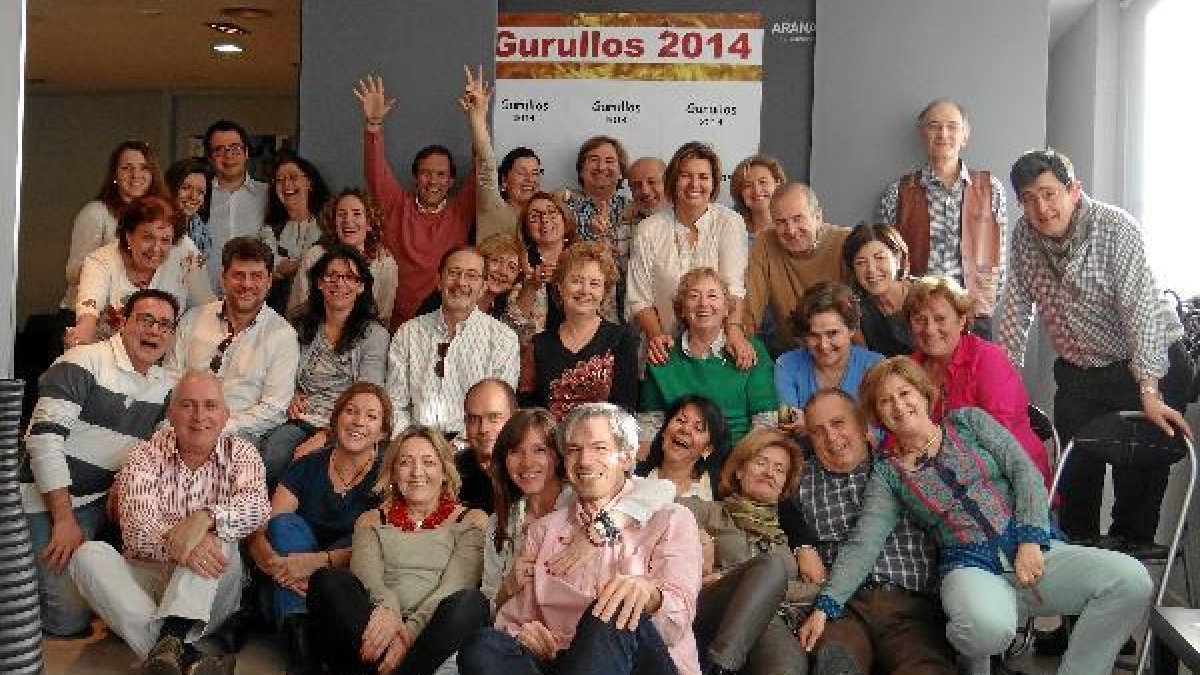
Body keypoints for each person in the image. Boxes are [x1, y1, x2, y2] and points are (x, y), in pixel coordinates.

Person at [797, 357, 1154, 675]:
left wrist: (1031, 538)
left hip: (1033, 548)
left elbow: (1024, 472)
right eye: (885, 401)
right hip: (969, 567)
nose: (899, 405)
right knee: (984, 629)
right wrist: (826, 606)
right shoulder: (889, 474)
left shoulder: (968, 422)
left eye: (904, 393)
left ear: (923, 394)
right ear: (876, 415)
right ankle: (966, 639)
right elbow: (865, 542)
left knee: (1131, 581)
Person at [998, 148, 1194, 556]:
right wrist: (1005, 391)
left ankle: (1132, 563)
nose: (1041, 208)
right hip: (1082, 370)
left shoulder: (1116, 228)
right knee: (1075, 478)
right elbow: (1015, 315)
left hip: (1147, 362)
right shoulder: (1024, 236)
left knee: (1136, 486)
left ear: (1074, 191)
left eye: (1049, 194)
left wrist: (1149, 391)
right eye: (1029, 199)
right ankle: (1078, 560)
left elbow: (1140, 313)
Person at [458, 403, 704, 675]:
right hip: (561, 660)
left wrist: (651, 597)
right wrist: (524, 636)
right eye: (574, 450)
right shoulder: (542, 531)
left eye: (599, 448)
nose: (585, 461)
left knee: (615, 605)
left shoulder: (671, 519)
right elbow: (512, 620)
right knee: (483, 646)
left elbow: (677, 625)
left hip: (640, 661)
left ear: (626, 457)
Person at [68, 370, 270, 675]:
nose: (199, 416)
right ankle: (179, 656)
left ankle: (171, 642)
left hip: (211, 589)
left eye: (210, 406)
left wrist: (206, 518)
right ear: (171, 414)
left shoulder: (241, 452)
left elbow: (258, 508)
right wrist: (180, 543)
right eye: (187, 405)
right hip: (147, 577)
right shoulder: (145, 455)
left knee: (216, 536)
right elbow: (136, 530)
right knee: (87, 555)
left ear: (226, 415)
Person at [20, 289, 179, 638]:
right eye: (145, 320)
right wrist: (64, 520)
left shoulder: (166, 386)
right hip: (49, 501)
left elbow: (162, 451)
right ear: (123, 322)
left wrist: (125, 483)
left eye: (164, 325)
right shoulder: (82, 361)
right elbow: (43, 441)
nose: (154, 331)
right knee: (68, 621)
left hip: (103, 502)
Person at [788, 388, 956, 675]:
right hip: (841, 609)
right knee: (835, 665)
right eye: (817, 431)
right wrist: (801, 545)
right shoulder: (800, 479)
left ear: (861, 423)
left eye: (838, 423)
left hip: (909, 606)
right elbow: (766, 496)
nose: (831, 437)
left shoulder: (902, 467)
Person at [304, 425, 491, 675]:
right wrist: (389, 611)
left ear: (445, 472)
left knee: (471, 603)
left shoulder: (472, 519)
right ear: (392, 473)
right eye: (405, 463)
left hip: (435, 632)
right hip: (377, 625)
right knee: (327, 580)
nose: (417, 472)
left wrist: (408, 634)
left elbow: (455, 585)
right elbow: (369, 580)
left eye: (428, 462)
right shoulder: (371, 520)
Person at [247, 382, 391, 671]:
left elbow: (387, 546)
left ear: (383, 432)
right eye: (350, 411)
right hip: (291, 574)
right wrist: (277, 566)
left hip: (346, 580)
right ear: (335, 420)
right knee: (284, 526)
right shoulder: (307, 465)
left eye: (371, 416)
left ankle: (296, 631)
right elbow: (264, 529)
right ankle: (303, 648)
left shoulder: (387, 478)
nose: (358, 421)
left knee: (361, 538)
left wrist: (315, 564)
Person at [482, 408, 674, 610]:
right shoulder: (500, 520)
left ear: (559, 456)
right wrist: (507, 588)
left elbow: (663, 489)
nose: (527, 462)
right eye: (515, 451)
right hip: (520, 620)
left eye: (539, 450)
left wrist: (602, 528)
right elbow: (486, 604)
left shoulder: (585, 496)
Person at [682, 427, 809, 675]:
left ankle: (720, 669)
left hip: (771, 622)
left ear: (784, 486)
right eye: (761, 462)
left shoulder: (786, 538)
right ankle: (722, 667)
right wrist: (697, 533)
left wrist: (753, 582)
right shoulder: (707, 511)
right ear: (739, 471)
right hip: (710, 608)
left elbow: (816, 589)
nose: (769, 472)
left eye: (779, 469)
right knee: (770, 566)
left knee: (788, 668)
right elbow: (656, 505)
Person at [355, 74, 477, 328]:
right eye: (425, 173)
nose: (433, 181)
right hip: (394, 323)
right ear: (415, 177)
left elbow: (484, 171)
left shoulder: (461, 210)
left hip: (445, 322)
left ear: (451, 180)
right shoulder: (396, 205)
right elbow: (375, 171)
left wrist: (477, 119)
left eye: (441, 174)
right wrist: (374, 125)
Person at [260, 245, 389, 483]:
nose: (339, 283)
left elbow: (368, 393)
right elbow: (280, 368)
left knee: (313, 467)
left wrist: (327, 435)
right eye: (331, 276)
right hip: (301, 419)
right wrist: (290, 392)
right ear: (319, 283)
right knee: (272, 457)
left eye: (349, 277)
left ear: (361, 286)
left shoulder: (374, 335)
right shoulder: (300, 324)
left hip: (348, 425)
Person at [877, 99, 1007, 334]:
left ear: (965, 135)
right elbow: (884, 255)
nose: (943, 134)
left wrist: (985, 303)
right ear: (922, 134)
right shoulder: (898, 192)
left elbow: (1000, 254)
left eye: (952, 126)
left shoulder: (991, 189)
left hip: (973, 313)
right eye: (934, 126)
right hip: (918, 315)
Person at [908, 275, 1051, 485]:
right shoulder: (910, 367)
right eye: (919, 319)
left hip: (1010, 478)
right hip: (940, 478)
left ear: (961, 320)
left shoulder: (987, 358)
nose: (929, 329)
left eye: (940, 319)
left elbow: (999, 439)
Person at [627, 141, 754, 368]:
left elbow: (734, 288)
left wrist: (734, 331)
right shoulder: (648, 229)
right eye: (686, 176)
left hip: (718, 348)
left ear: (714, 183)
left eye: (703, 177)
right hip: (663, 348)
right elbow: (639, 298)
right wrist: (657, 336)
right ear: (673, 181)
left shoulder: (730, 223)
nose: (695, 184)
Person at [170, 236, 299, 445]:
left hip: (238, 440)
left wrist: (218, 428)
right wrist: (186, 424)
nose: (247, 284)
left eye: (256, 276)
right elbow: (170, 378)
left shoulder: (283, 336)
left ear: (269, 282)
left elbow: (274, 408)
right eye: (238, 275)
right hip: (180, 429)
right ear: (223, 278)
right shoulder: (192, 319)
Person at [386, 245, 520, 435]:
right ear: (439, 281)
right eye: (454, 273)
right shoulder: (408, 333)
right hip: (416, 444)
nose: (461, 282)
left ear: (483, 287)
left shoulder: (503, 339)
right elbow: (395, 404)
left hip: (474, 447)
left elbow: (497, 413)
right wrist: (416, 445)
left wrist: (456, 448)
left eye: (471, 275)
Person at [639, 267, 777, 444]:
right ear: (682, 309)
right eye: (694, 296)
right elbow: (649, 426)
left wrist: (742, 459)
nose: (703, 303)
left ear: (727, 309)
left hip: (739, 452)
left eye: (712, 296)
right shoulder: (662, 354)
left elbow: (766, 423)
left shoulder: (751, 350)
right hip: (680, 452)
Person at [67, 195, 213, 347]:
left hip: (167, 355)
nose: (156, 249)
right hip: (109, 355)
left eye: (165, 240)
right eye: (148, 238)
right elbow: (89, 311)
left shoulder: (185, 253)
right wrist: (81, 335)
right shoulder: (100, 261)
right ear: (128, 236)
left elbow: (207, 307)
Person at [530, 241, 639, 419]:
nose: (585, 290)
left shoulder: (622, 339)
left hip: (604, 436)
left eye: (594, 283)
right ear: (560, 287)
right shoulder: (539, 344)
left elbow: (625, 410)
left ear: (604, 292)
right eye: (576, 281)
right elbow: (530, 413)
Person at [62, 140, 167, 317]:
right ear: (115, 175)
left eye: (144, 168)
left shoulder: (162, 217)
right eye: (127, 168)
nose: (136, 175)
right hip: (88, 316)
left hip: (137, 319)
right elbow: (73, 272)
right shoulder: (96, 213)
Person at [745, 183, 849, 357]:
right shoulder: (764, 243)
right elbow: (749, 310)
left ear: (818, 217)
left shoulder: (845, 242)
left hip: (845, 351)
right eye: (781, 222)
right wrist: (741, 341)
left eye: (798, 218)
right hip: (792, 352)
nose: (791, 230)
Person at [774, 281, 882, 433]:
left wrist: (809, 422)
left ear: (852, 329)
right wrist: (853, 424)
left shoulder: (876, 365)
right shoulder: (786, 364)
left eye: (832, 333)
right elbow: (787, 421)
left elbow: (880, 427)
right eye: (814, 335)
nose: (823, 345)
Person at [288, 188, 399, 327]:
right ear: (334, 223)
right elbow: (297, 310)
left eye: (356, 214)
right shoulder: (315, 256)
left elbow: (383, 317)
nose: (348, 220)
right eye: (341, 214)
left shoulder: (385, 264)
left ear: (369, 223)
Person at [461, 65, 541, 243]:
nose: (530, 179)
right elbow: (486, 162)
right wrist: (478, 118)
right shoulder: (492, 206)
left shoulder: (545, 219)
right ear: (504, 180)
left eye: (535, 173)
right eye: (522, 173)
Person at [203, 119, 269, 295]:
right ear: (209, 157)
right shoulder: (199, 196)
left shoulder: (268, 195)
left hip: (254, 297)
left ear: (246, 152)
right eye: (219, 150)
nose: (228, 156)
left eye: (235, 148)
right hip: (204, 297)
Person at [508, 191, 580, 345]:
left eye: (552, 212)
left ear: (565, 219)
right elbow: (510, 328)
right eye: (535, 217)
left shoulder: (584, 259)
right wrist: (531, 286)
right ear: (526, 229)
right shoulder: (517, 263)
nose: (545, 219)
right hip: (534, 350)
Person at [261, 151, 329, 311]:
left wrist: (290, 266)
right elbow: (269, 269)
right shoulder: (270, 231)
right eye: (279, 180)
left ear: (309, 183)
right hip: (279, 313)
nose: (286, 184)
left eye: (293, 177)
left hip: (321, 311)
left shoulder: (329, 227)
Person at [561, 136, 633, 277]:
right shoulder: (563, 208)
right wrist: (591, 242)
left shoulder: (633, 209)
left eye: (609, 161)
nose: (601, 167)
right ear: (581, 170)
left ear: (621, 172)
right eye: (594, 159)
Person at [637, 394, 732, 501]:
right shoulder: (633, 475)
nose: (685, 429)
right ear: (664, 430)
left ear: (708, 449)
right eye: (680, 420)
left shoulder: (718, 489)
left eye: (698, 428)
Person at [841, 222, 915, 357]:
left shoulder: (927, 294)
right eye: (861, 263)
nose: (871, 269)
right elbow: (866, 361)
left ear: (897, 258)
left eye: (879, 258)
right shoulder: (854, 309)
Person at [458, 378, 519, 513]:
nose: (483, 428)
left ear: (516, 418)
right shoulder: (454, 473)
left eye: (494, 417)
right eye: (474, 419)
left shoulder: (532, 471)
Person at [164, 157, 214, 269]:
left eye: (200, 191)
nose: (193, 197)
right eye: (186, 188)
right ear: (170, 189)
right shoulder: (157, 225)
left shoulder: (201, 230)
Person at [730, 154, 787, 241]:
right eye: (748, 185)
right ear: (740, 193)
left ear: (777, 184)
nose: (756, 190)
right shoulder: (730, 230)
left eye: (762, 182)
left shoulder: (791, 231)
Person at [624, 156, 667, 223]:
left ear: (667, 183)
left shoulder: (681, 218)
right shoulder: (626, 222)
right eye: (637, 185)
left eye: (651, 182)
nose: (645, 191)